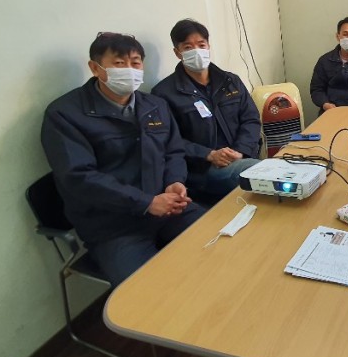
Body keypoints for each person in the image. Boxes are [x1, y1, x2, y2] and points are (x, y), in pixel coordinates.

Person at [41, 33, 206, 286]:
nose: (129, 70)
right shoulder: (65, 115)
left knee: (222, 243)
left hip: (168, 208)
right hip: (113, 227)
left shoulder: (155, 105)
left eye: (135, 63)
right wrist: (146, 202)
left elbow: (173, 150)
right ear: (95, 68)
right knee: (147, 291)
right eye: (119, 63)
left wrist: (174, 181)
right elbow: (80, 178)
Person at [152, 19, 261, 201]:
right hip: (203, 169)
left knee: (274, 169)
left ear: (208, 46)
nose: (196, 51)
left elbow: (251, 119)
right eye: (188, 47)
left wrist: (240, 151)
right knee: (259, 173)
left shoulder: (230, 81)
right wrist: (208, 155)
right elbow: (170, 141)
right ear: (177, 52)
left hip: (241, 157)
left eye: (201, 45)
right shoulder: (164, 93)